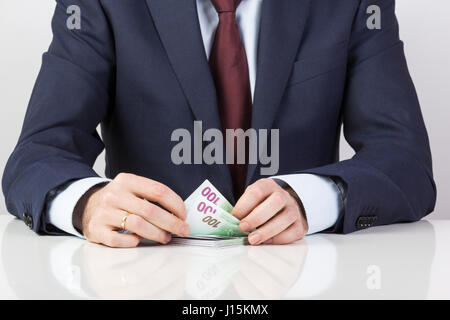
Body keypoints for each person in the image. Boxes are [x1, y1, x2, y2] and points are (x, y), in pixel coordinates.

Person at [2, 0, 436, 248]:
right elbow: (37, 156)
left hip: (302, 277)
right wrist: (88, 203)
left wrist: (315, 199)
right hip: (144, 278)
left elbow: (405, 161)